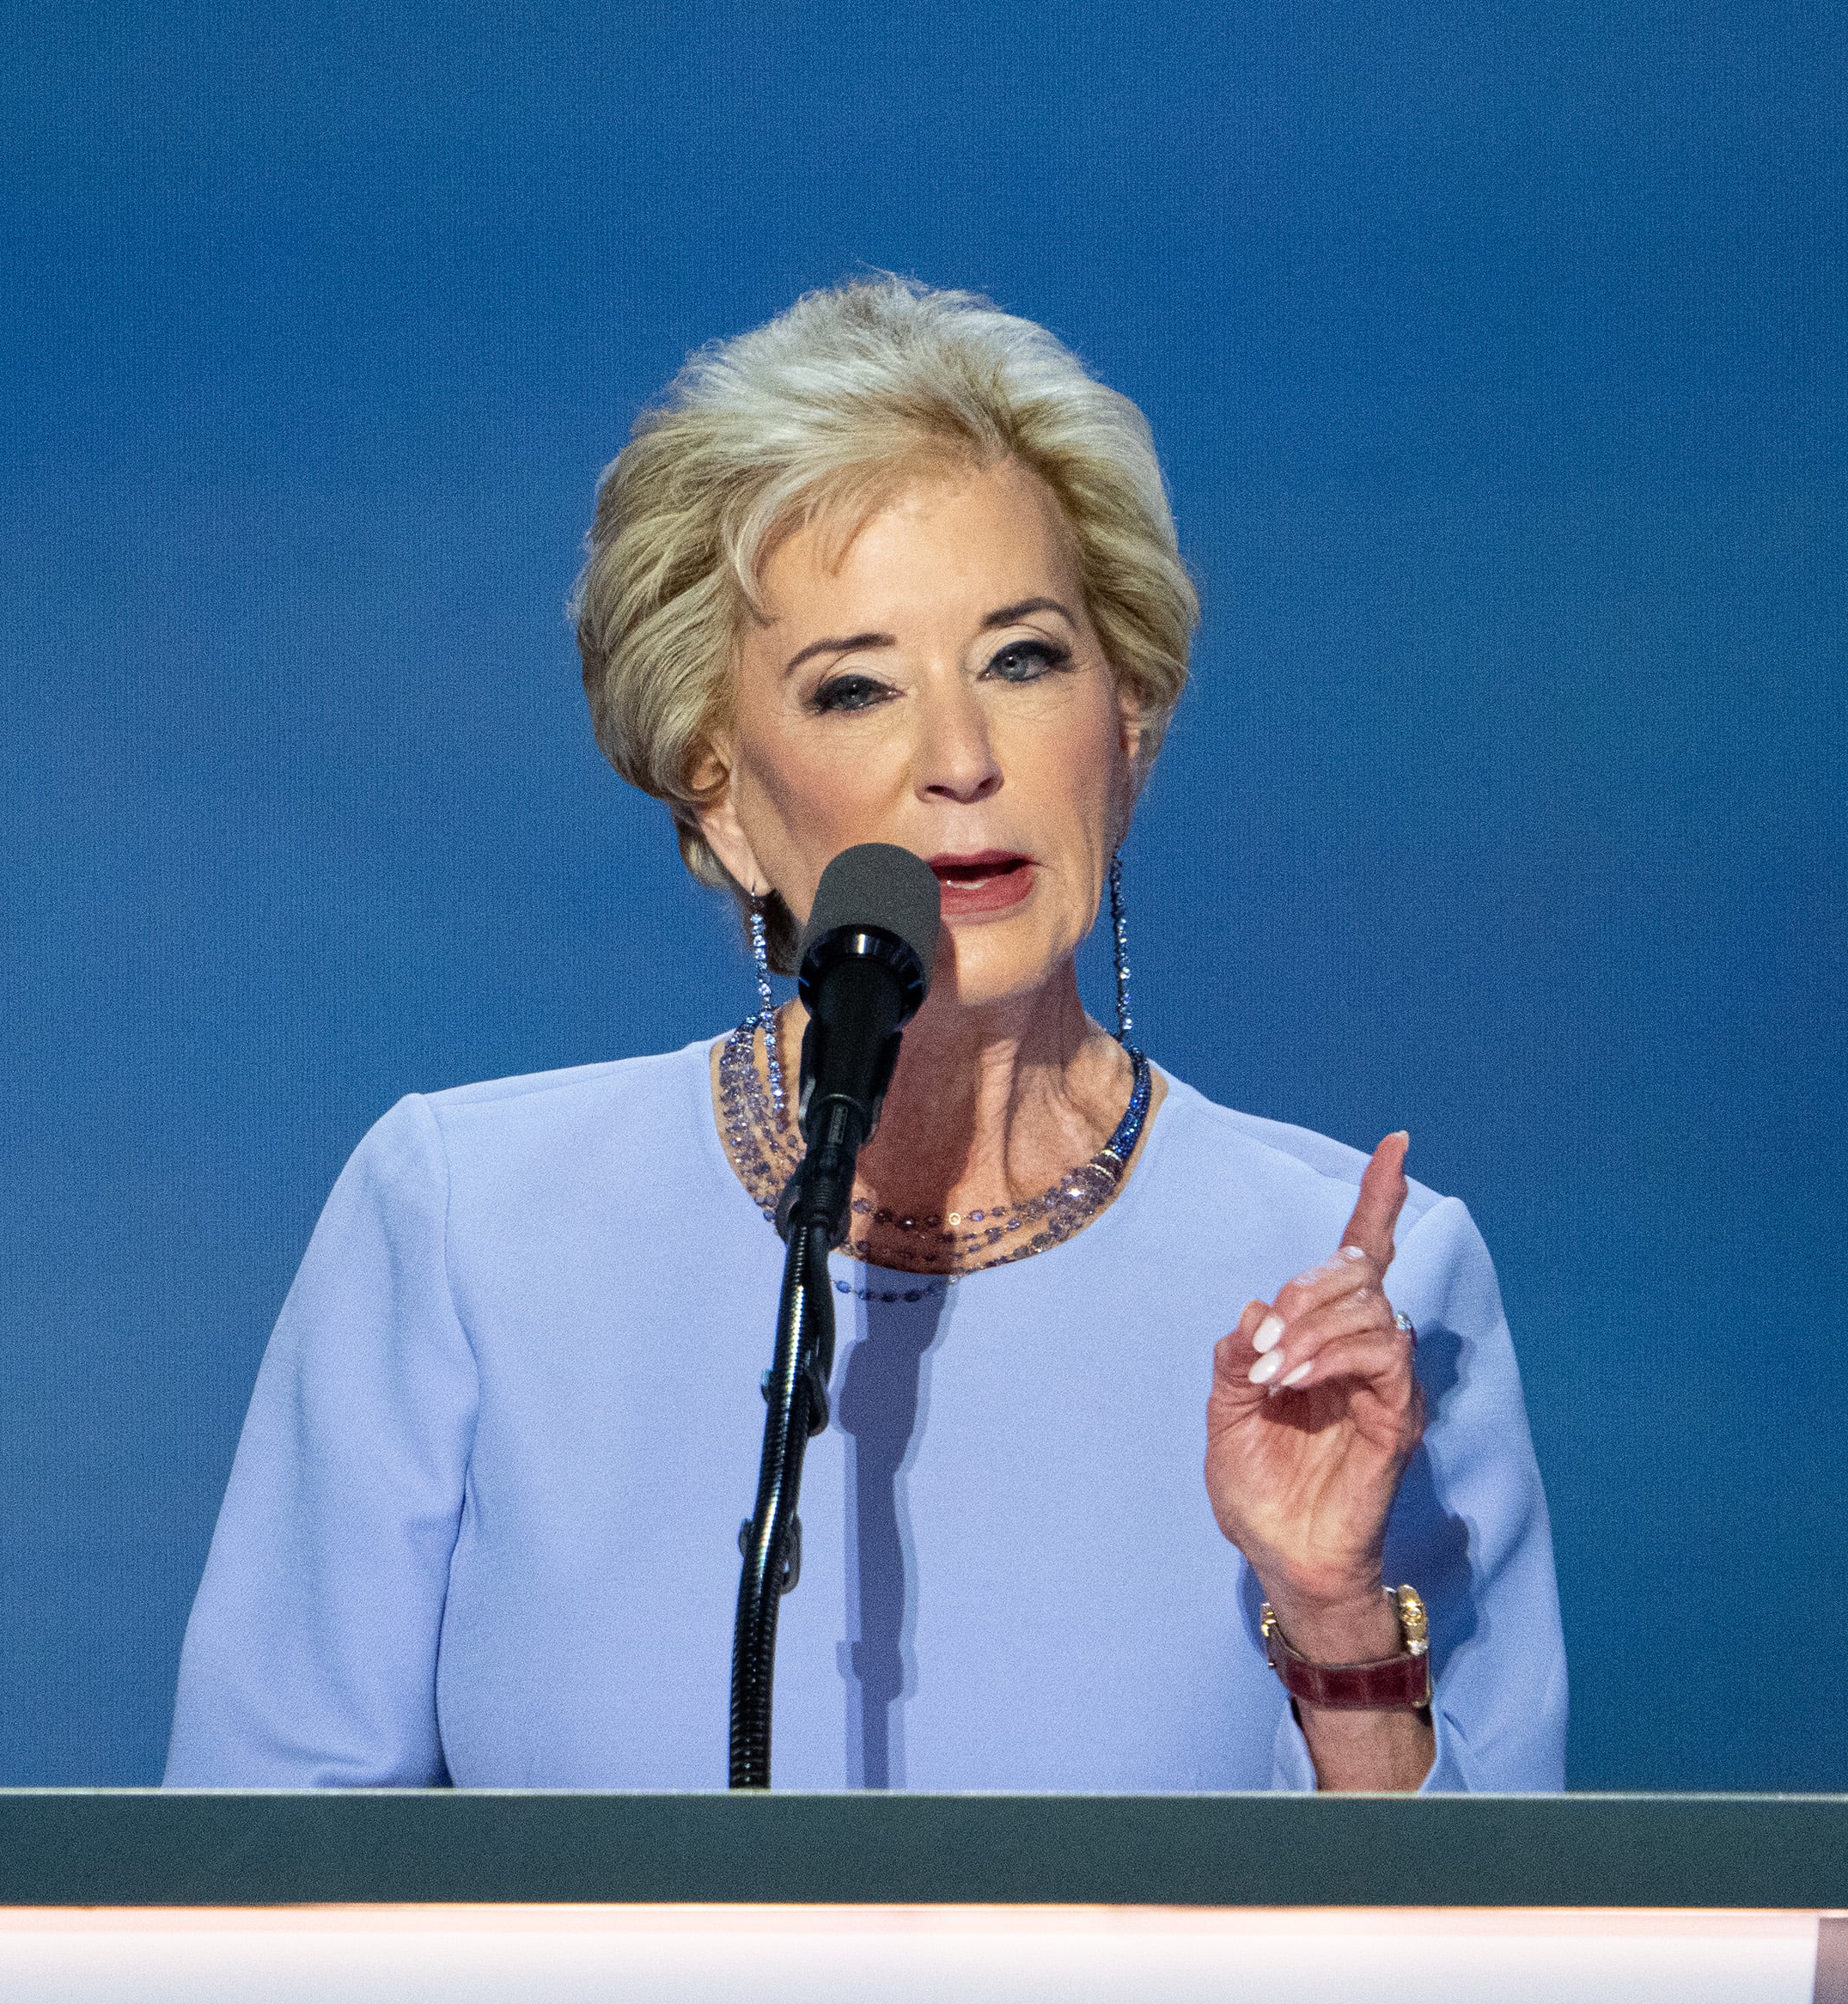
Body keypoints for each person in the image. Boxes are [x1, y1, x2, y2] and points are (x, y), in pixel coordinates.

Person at [165, 277, 1564, 1793]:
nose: (960, 759)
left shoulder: (1364, 1292)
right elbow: (258, 1902)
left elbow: (1486, 1956)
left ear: (1129, 721)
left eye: (1024, 659)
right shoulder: (466, 1231)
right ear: (718, 788)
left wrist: (1334, 1609)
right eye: (854, 688)